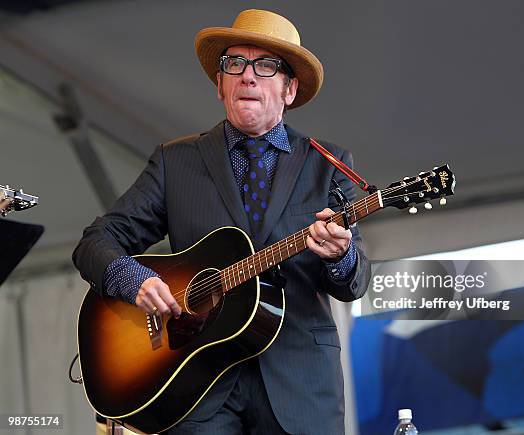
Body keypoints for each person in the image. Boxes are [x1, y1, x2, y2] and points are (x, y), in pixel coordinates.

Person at [72, 8, 371, 435]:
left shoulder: (328, 164)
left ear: (290, 89)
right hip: (195, 391)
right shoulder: (176, 162)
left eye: (266, 66)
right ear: (220, 84)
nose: (248, 76)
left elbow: (353, 284)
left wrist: (340, 256)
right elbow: (96, 240)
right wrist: (130, 278)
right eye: (235, 64)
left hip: (299, 387)